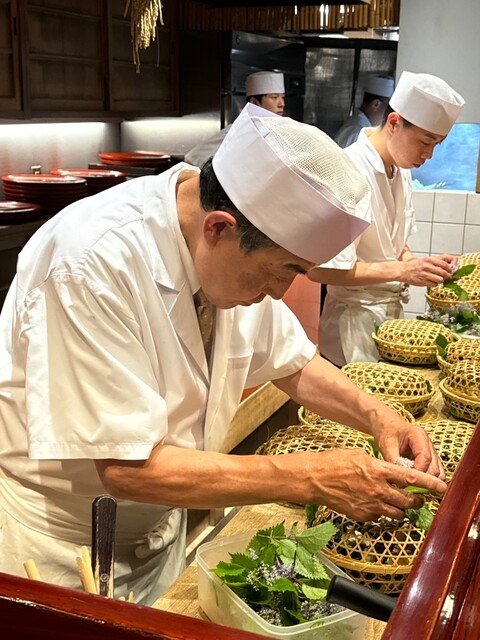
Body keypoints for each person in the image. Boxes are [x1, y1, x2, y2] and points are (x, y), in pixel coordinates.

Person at [0, 103, 447, 606]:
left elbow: (293, 363)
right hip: (63, 550)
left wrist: (380, 416)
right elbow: (127, 467)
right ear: (218, 228)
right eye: (282, 270)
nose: (280, 292)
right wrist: (311, 477)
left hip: (158, 530)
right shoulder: (89, 264)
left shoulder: (226, 247)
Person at [310, 71, 465, 367]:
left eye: (437, 145)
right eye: (425, 142)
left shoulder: (400, 168)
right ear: (394, 123)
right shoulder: (349, 170)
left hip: (389, 323)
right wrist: (404, 271)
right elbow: (321, 270)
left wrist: (421, 266)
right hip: (350, 327)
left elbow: (396, 245)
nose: (429, 155)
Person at [184, 70, 285, 168]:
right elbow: (192, 158)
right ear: (254, 102)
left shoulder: (283, 130)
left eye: (283, 97)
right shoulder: (240, 129)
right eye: (274, 97)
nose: (281, 104)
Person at [335, 74, 395, 149]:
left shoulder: (362, 126)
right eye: (388, 108)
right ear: (376, 104)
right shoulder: (357, 130)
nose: (388, 114)